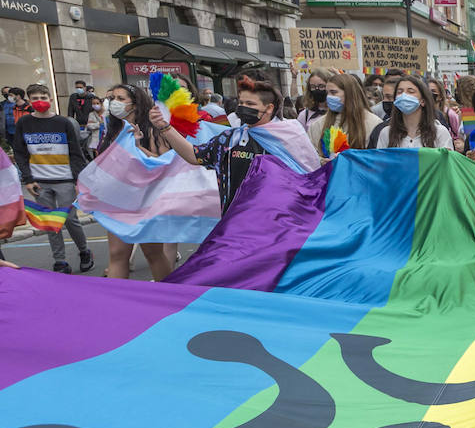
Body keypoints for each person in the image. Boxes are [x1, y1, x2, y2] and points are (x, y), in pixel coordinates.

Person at [153, 75, 321, 212]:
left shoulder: (290, 137)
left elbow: (310, 178)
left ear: (269, 108)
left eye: (250, 104)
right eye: (241, 103)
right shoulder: (229, 138)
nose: (243, 107)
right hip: (235, 223)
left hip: (279, 223)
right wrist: (165, 128)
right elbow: (193, 155)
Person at [89, 83, 181, 280]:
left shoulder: (153, 129)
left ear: (136, 103)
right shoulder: (113, 130)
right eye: (111, 98)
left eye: (120, 99)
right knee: (117, 255)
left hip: (147, 199)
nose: (114, 102)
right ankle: (117, 299)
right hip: (117, 199)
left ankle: (166, 294)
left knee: (153, 253)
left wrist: (138, 147)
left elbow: (165, 163)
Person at [12, 83, 92, 273]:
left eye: (43, 97)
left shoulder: (64, 123)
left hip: (65, 179)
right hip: (39, 182)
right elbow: (20, 152)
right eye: (35, 98)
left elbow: (76, 153)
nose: (39, 101)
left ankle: (84, 251)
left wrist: (78, 180)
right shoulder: (24, 123)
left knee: (70, 219)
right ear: (29, 101)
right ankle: (60, 260)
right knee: (49, 222)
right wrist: (28, 179)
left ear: (50, 99)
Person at [368, 74, 454, 149]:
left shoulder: (439, 133)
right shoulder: (386, 133)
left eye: (410, 91)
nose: (404, 95)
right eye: (400, 92)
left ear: (423, 101)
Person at [308, 72, 381, 158]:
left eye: (333, 92)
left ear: (349, 94)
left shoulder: (373, 123)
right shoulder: (317, 125)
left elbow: (376, 157)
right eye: (327, 93)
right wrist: (322, 161)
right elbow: (310, 156)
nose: (329, 97)